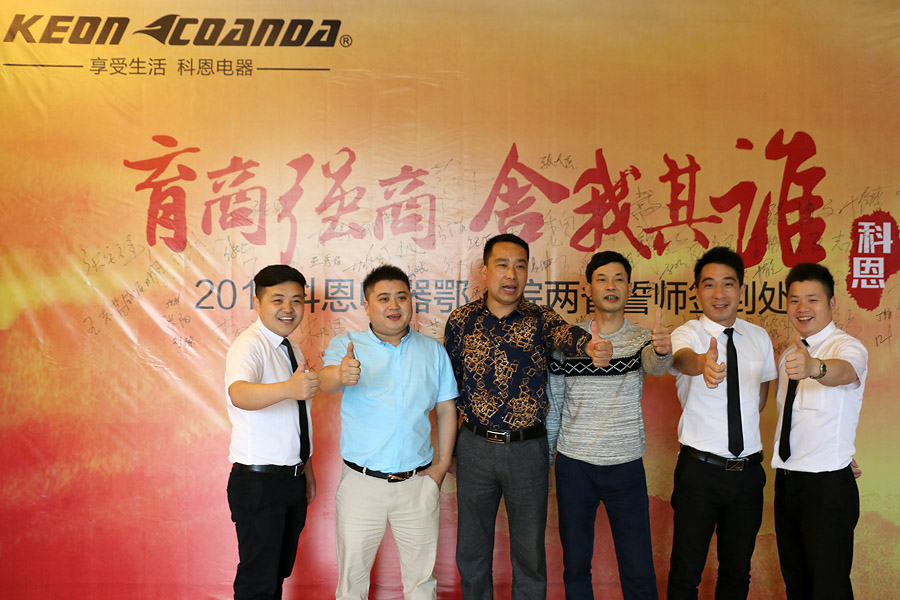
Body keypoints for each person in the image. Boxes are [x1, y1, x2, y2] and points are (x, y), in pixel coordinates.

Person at [444, 233, 614, 599]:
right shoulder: (461, 322)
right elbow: (451, 387)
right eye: (502, 265)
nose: (512, 275)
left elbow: (567, 335)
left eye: (520, 266)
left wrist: (590, 345)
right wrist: (452, 448)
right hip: (474, 447)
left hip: (527, 451)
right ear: (485, 270)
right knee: (472, 551)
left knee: (529, 553)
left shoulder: (540, 318)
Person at [320, 264, 459, 600]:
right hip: (361, 485)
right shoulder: (347, 345)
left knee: (421, 584)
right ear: (367, 306)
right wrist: (340, 373)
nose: (394, 306)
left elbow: (446, 409)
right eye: (383, 299)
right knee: (352, 583)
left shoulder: (432, 351)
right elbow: (325, 383)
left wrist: (441, 466)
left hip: (417, 484)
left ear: (411, 301)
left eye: (401, 297)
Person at [547, 251, 672, 600]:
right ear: (588, 288)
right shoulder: (568, 340)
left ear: (630, 288)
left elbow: (657, 366)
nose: (611, 286)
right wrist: (548, 459)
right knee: (575, 567)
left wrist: (663, 351)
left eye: (619, 279)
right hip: (574, 466)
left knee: (638, 569)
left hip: (625, 466)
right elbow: (555, 404)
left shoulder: (642, 340)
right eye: (602, 279)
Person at [666, 246, 777, 600]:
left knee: (737, 573)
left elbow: (760, 399)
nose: (719, 293)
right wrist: (703, 364)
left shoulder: (758, 338)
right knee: (686, 573)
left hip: (748, 475)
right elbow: (682, 359)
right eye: (709, 284)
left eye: (728, 284)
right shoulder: (687, 334)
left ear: (741, 289)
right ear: (697, 290)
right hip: (700, 473)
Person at [771, 263, 867, 599]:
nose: (802, 308)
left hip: (826, 488)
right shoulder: (788, 356)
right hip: (786, 484)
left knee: (829, 588)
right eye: (794, 300)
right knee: (796, 586)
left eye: (812, 299)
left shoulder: (847, 347)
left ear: (831, 303)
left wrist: (815, 367)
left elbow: (845, 372)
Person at [224, 264, 319, 600]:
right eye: (278, 300)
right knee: (258, 582)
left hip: (289, 480)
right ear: (257, 303)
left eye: (296, 300)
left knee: (276, 574)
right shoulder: (250, 345)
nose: (288, 308)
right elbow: (239, 393)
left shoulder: (290, 348)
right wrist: (288, 388)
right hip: (259, 484)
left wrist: (305, 470)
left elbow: (295, 417)